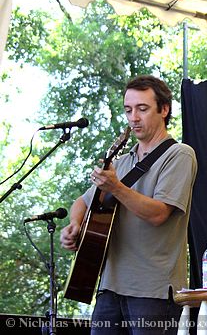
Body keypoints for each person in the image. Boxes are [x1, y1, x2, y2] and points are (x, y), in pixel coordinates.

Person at [60, 75, 197, 334]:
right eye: (128, 110)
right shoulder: (121, 163)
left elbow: (158, 213)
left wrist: (116, 187)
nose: (133, 117)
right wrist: (75, 225)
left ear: (164, 109)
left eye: (142, 109)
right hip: (109, 288)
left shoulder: (179, 154)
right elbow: (82, 201)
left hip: (153, 291)